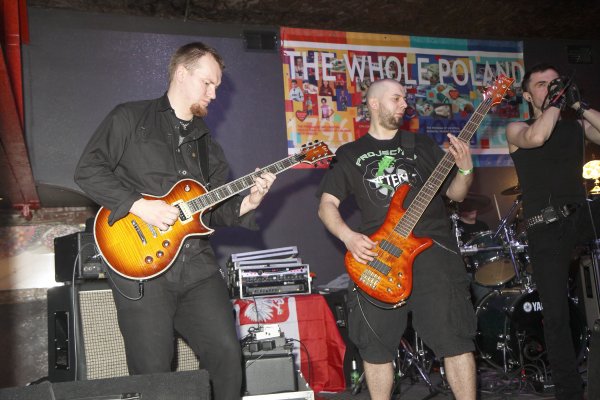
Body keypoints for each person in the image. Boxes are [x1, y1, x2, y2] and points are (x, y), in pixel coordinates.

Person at [74, 42, 276, 400]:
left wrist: (250, 201)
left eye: (217, 86)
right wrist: (138, 205)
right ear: (182, 73)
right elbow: (88, 171)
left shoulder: (208, 146)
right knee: (153, 374)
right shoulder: (129, 117)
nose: (214, 94)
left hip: (196, 267)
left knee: (227, 357)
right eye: (207, 83)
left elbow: (215, 212)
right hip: (140, 264)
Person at [317, 78, 477, 400]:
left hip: (433, 252)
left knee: (456, 341)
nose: (405, 104)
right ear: (374, 104)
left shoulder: (423, 146)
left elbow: (456, 195)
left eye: (405, 98)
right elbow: (326, 205)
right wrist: (348, 236)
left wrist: (465, 170)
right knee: (375, 348)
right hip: (380, 256)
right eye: (396, 98)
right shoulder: (349, 154)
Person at [505, 63, 600, 400]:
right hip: (546, 228)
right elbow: (538, 137)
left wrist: (580, 105)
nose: (550, 88)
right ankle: (569, 393)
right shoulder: (516, 128)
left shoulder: (576, 126)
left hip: (582, 215)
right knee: (557, 314)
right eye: (542, 84)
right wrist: (558, 102)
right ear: (528, 96)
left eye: (555, 83)